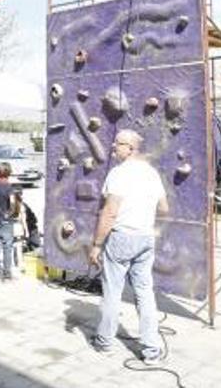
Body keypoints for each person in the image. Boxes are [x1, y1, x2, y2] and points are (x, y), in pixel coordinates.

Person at [87, 129, 169, 365]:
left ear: (131, 148)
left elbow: (110, 212)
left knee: (112, 291)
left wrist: (96, 245)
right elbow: (163, 208)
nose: (113, 147)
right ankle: (152, 350)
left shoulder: (118, 174)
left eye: (118, 144)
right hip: (145, 238)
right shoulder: (151, 173)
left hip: (122, 237)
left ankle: (105, 343)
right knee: (144, 293)